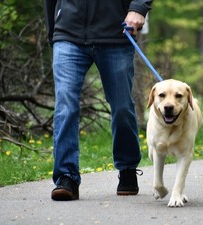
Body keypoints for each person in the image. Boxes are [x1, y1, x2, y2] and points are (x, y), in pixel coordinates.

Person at [44, 0, 153, 201]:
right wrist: (53, 30)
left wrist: (138, 8)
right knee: (65, 106)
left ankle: (128, 168)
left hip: (115, 35)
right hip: (68, 33)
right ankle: (66, 177)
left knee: (122, 107)